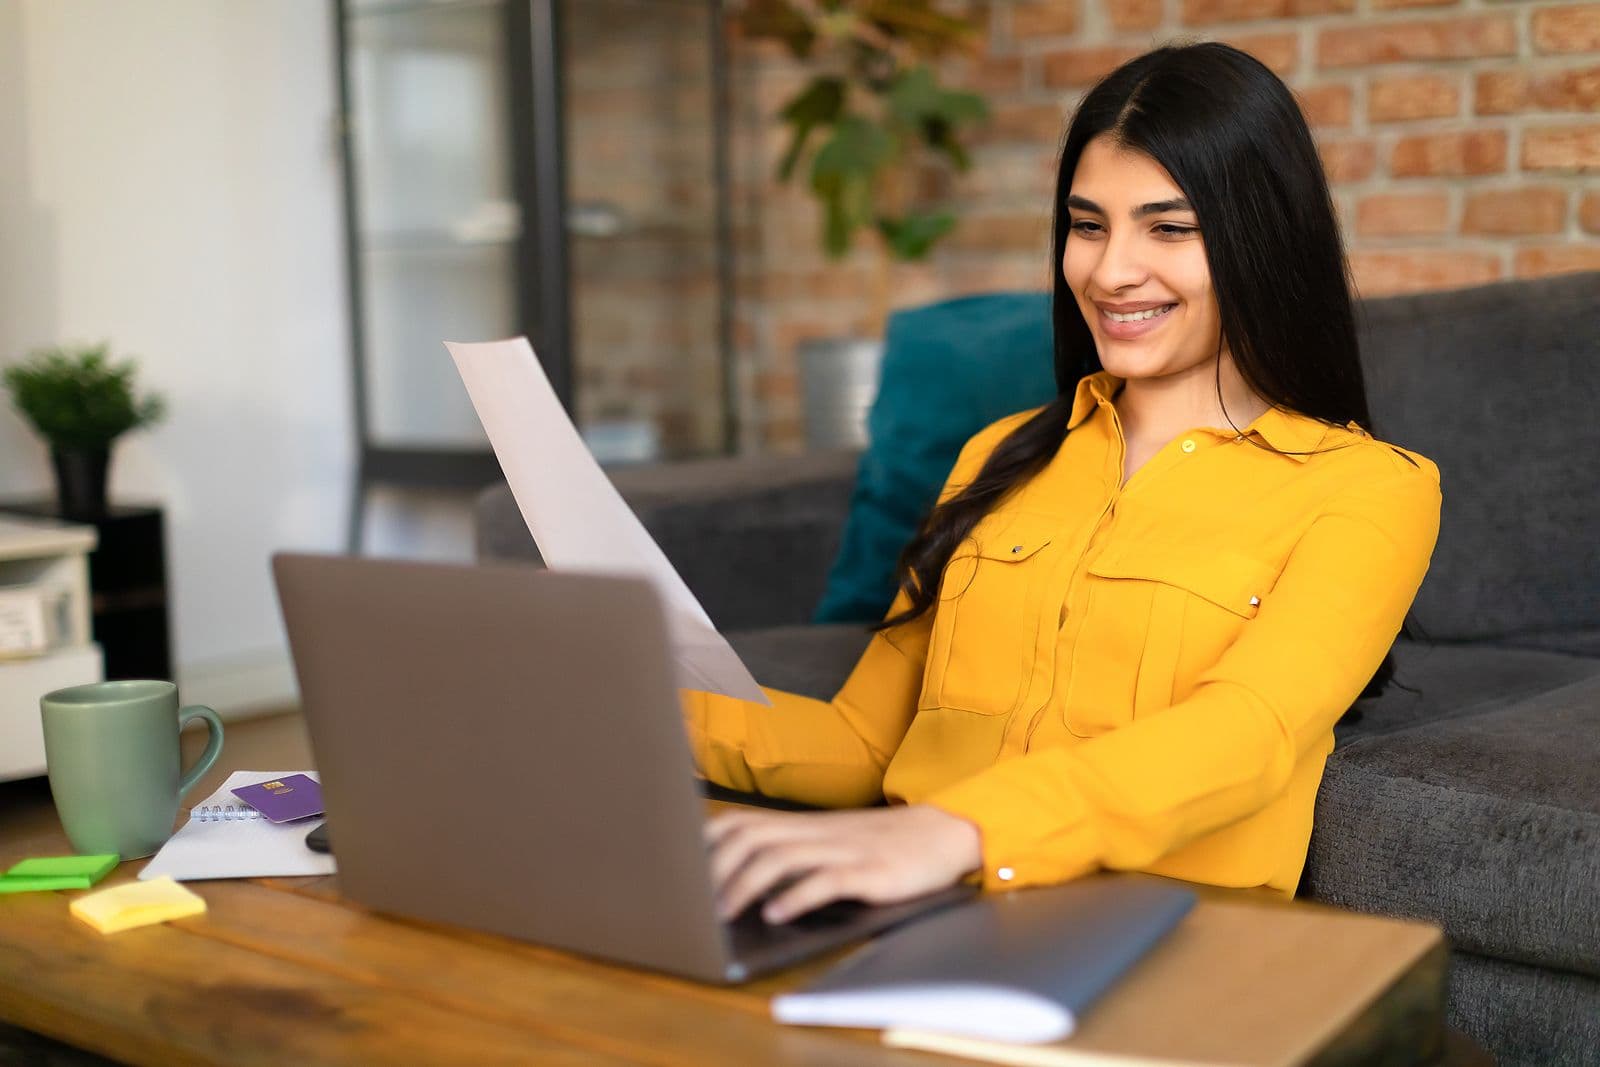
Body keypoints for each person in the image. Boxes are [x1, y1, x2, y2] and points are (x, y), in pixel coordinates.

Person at [680, 42, 1442, 926]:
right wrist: (638, 707)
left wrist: (956, 831)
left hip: (1156, 929)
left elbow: (1248, 737)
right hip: (921, 905)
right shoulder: (998, 457)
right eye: (1088, 225)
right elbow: (865, 742)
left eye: (1169, 227)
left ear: (1259, 240)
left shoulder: (1369, 489)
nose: (1110, 270)